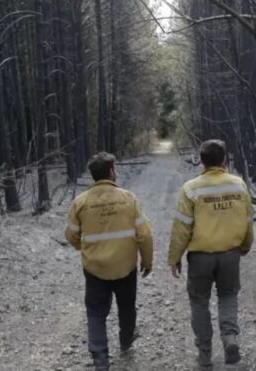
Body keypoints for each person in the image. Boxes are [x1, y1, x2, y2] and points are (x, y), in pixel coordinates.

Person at [168, 139, 254, 368]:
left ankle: (205, 354)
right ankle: (229, 338)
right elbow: (247, 220)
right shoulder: (238, 185)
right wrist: (245, 245)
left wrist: (174, 257)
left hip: (200, 258)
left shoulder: (191, 188)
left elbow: (182, 227)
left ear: (201, 161)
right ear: (225, 159)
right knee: (228, 295)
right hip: (230, 254)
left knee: (199, 302)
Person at [64, 152, 153, 371]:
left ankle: (100, 359)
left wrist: (85, 249)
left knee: (96, 313)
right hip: (125, 267)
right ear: (112, 172)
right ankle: (125, 341)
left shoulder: (81, 202)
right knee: (126, 307)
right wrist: (147, 260)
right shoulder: (128, 198)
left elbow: (71, 235)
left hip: (95, 269)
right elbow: (145, 234)